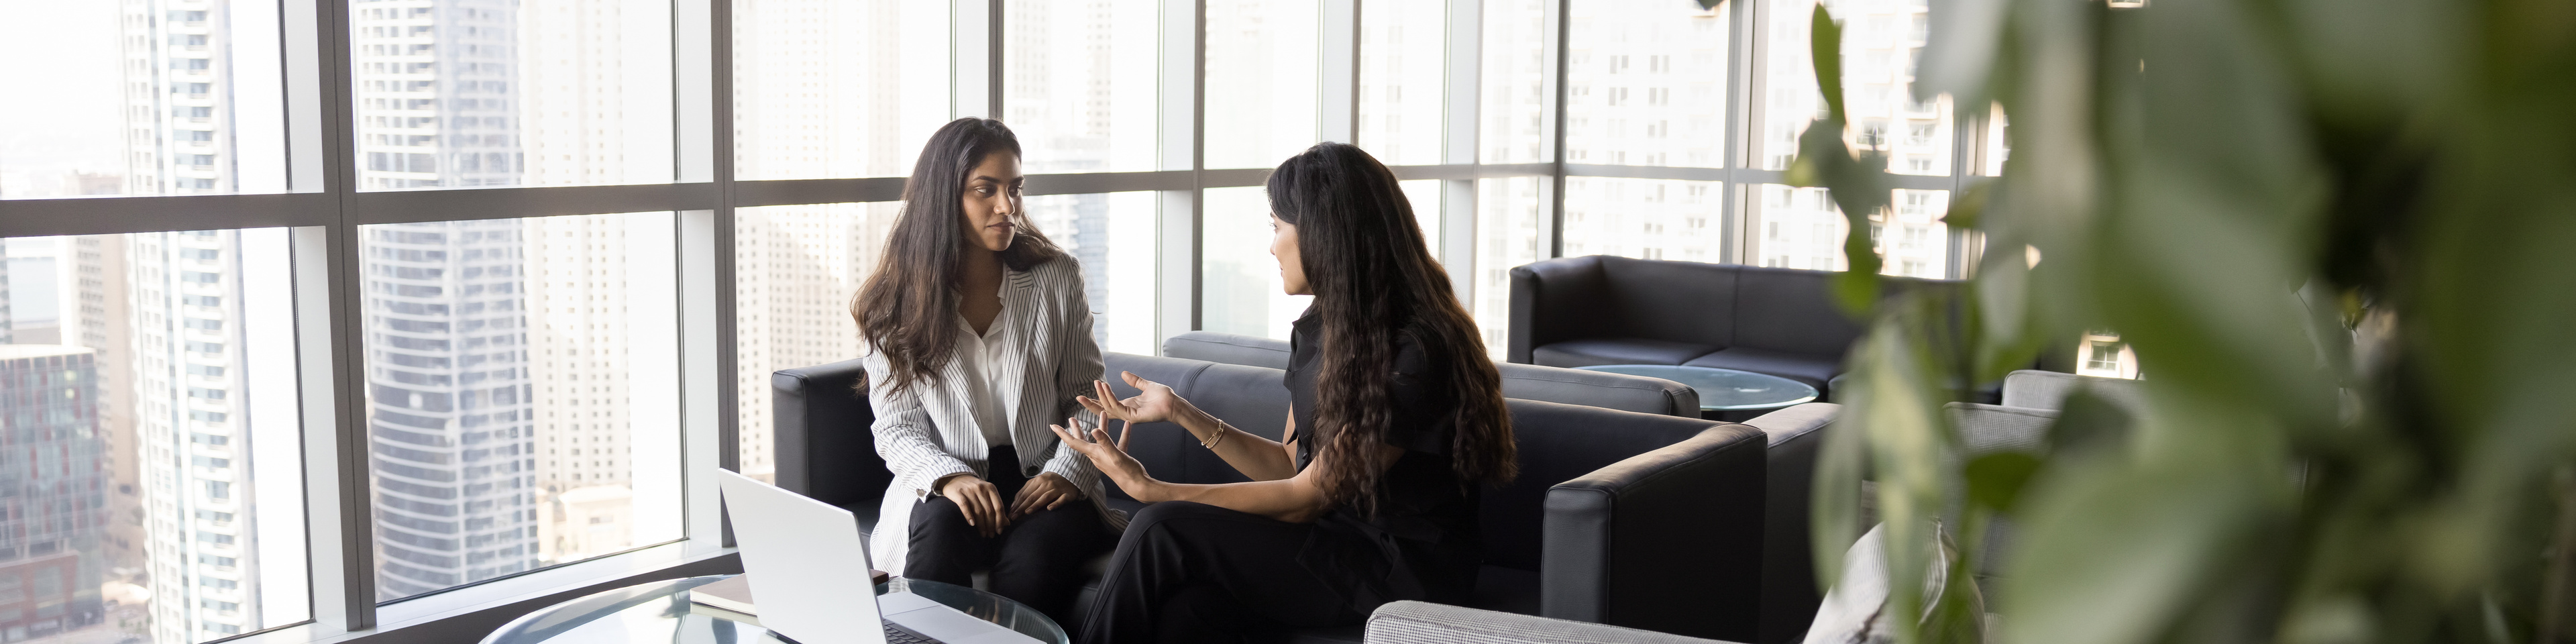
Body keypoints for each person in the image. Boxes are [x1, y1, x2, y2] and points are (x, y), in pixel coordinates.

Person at [1050, 142, 1518, 644]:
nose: (1271, 247)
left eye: (1277, 227)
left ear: (1323, 233)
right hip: (1333, 540)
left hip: (1402, 568)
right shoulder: (1320, 329)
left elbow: (1305, 499)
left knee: (1159, 528)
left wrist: (1155, 492)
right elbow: (1292, 466)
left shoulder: (1417, 353)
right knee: (1188, 614)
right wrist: (1182, 412)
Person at [852, 117, 1120, 623]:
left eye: (1014, 189)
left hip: (1041, 471)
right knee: (936, 540)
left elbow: (1086, 396)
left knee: (1032, 563)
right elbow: (896, 428)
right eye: (986, 190)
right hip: (951, 473)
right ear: (944, 198)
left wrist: (1067, 471)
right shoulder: (895, 301)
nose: (1007, 207)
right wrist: (948, 477)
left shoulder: (1055, 278)